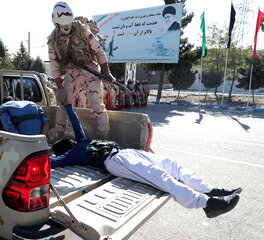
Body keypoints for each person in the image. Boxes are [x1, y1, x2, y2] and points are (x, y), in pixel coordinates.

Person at [50, 101, 242, 218]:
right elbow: (55, 162)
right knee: (160, 177)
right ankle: (207, 204)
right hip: (116, 162)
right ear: (65, 146)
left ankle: (211, 190)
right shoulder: (71, 155)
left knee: (170, 164)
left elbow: (75, 121)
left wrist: (67, 104)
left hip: (126, 153)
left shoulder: (81, 140)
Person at [47, 1, 115, 139]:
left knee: (97, 105)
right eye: (63, 26)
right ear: (56, 24)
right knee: (64, 105)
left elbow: (99, 51)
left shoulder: (83, 30)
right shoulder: (52, 41)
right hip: (71, 73)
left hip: (90, 69)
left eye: (68, 25)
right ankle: (59, 138)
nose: (66, 28)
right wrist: (60, 88)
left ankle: (104, 137)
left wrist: (106, 72)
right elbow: (54, 67)